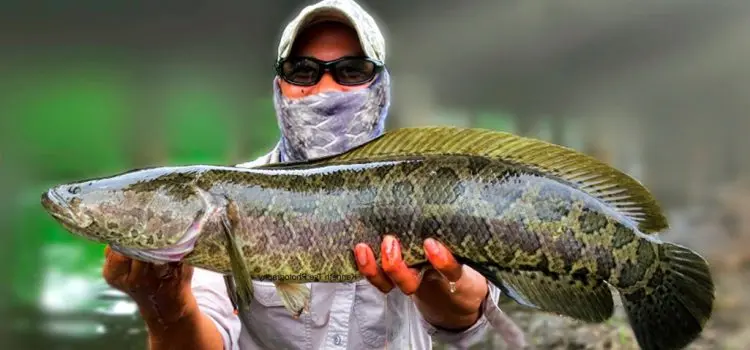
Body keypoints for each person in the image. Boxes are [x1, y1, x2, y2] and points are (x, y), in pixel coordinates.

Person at [102, 0, 527, 349]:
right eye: (303, 71)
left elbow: (467, 321)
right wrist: (166, 309)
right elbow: (208, 339)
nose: (325, 88)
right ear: (279, 87)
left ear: (380, 87)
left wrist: (433, 279)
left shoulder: (430, 187)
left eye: (351, 71)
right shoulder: (227, 199)